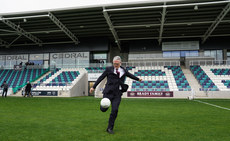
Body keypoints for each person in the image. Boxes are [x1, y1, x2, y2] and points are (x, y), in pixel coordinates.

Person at [90, 56, 142, 134]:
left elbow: (130, 75)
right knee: (104, 109)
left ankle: (109, 128)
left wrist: (138, 79)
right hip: (108, 92)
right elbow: (101, 77)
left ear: (120, 63)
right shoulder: (108, 69)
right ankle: (102, 106)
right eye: (114, 64)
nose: (116, 65)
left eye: (117, 64)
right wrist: (93, 87)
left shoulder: (123, 70)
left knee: (115, 110)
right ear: (113, 63)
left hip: (117, 94)